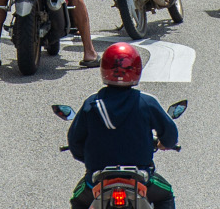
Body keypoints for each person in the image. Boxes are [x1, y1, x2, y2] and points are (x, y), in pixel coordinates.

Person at [67, 42, 178, 209]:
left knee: (78, 200)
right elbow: (170, 136)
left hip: (98, 179)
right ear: (137, 70)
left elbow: (75, 142)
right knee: (165, 194)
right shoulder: (146, 102)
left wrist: (90, 159)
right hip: (140, 178)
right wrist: (164, 143)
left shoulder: (92, 104)